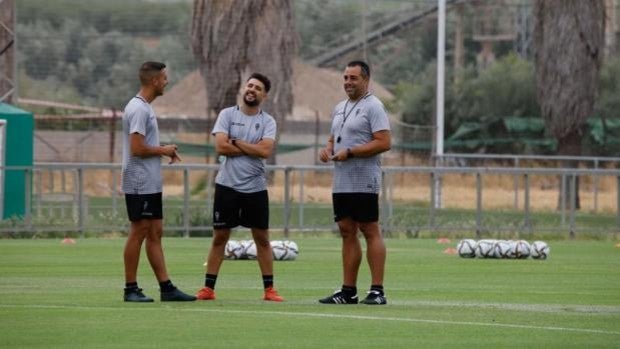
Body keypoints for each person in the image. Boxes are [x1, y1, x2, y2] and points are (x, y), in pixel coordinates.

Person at [195, 73, 284, 302]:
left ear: (264, 95)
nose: (252, 89)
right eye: (250, 85)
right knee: (220, 237)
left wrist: (235, 141)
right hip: (227, 186)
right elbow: (221, 147)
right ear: (245, 88)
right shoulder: (227, 115)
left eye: (258, 88)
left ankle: (269, 290)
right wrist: (248, 146)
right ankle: (208, 289)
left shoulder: (268, 122)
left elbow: (265, 151)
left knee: (262, 238)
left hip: (255, 188)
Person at [121, 61, 196, 302]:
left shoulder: (145, 107)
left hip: (149, 182)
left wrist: (162, 150)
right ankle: (130, 288)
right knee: (139, 231)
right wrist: (163, 150)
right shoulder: (139, 109)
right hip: (139, 181)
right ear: (154, 81)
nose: (167, 81)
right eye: (164, 77)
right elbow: (136, 148)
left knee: (155, 231)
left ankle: (166, 288)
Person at [318, 60, 391, 305]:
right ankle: (348, 291)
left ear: (366, 80)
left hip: (363, 180)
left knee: (369, 230)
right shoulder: (340, 107)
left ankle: (377, 291)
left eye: (353, 78)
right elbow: (333, 138)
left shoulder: (374, 106)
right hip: (342, 181)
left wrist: (351, 152)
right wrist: (327, 149)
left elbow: (383, 142)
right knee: (346, 231)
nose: (348, 82)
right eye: (346, 78)